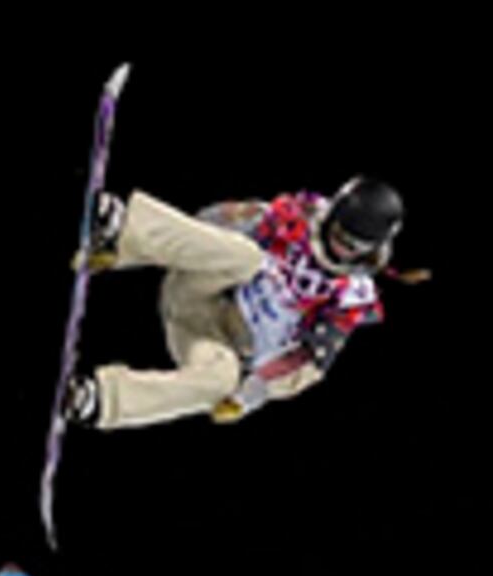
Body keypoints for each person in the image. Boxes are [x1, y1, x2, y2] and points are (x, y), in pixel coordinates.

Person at [64, 179, 406, 431]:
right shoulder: (300, 217)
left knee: (224, 378)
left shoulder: (350, 297)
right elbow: (225, 220)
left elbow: (306, 363)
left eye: (350, 244)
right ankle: (117, 234)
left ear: (369, 250)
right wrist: (141, 249)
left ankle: (99, 401)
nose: (336, 245)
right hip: (203, 290)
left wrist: (250, 395)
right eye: (336, 231)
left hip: (213, 339)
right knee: (247, 256)